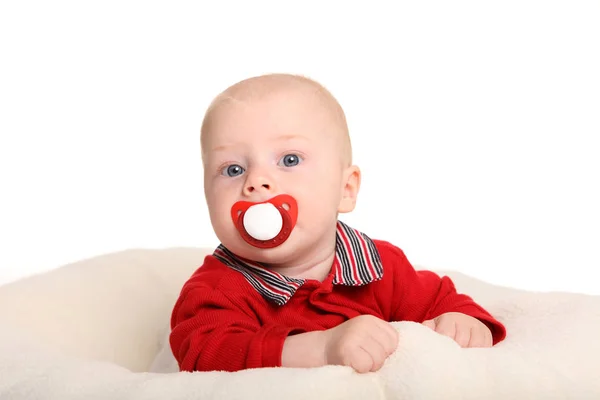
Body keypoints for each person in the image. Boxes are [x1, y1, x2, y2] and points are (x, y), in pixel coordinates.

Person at [169, 73, 506, 373]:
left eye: (289, 160)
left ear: (345, 190)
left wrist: (462, 323)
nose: (257, 181)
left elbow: (442, 301)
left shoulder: (379, 267)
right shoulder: (215, 291)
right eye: (233, 169)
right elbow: (204, 356)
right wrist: (321, 348)